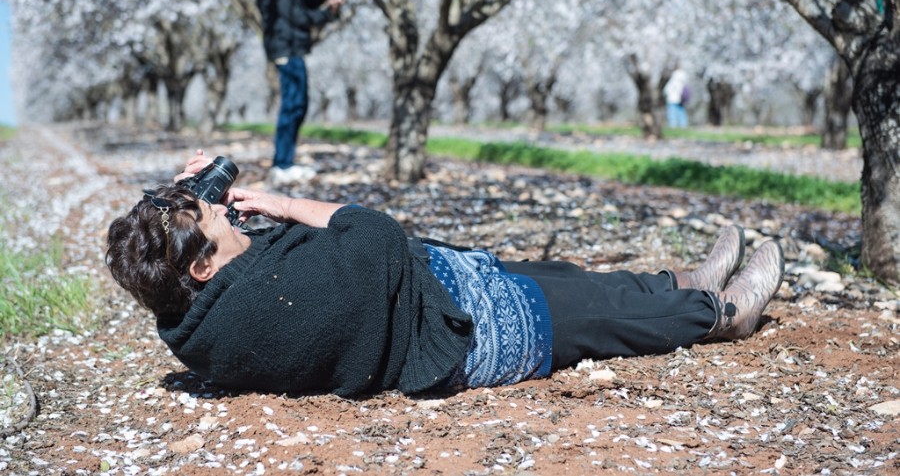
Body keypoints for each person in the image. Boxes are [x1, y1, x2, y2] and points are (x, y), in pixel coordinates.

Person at [105, 151, 785, 397]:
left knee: (569, 275)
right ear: (201, 262)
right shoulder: (272, 302)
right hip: (462, 330)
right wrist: (283, 204)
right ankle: (721, 315)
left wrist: (181, 201)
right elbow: (373, 232)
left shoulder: (187, 312)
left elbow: (223, 267)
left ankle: (685, 281)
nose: (227, 210)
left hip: (436, 290)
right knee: (600, 316)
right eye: (214, 215)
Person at [246, 0, 346, 185]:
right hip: (286, 50)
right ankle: (282, 164)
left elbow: (303, 3)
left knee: (297, 104)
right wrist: (330, 12)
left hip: (289, 49)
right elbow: (300, 17)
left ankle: (285, 162)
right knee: (293, 105)